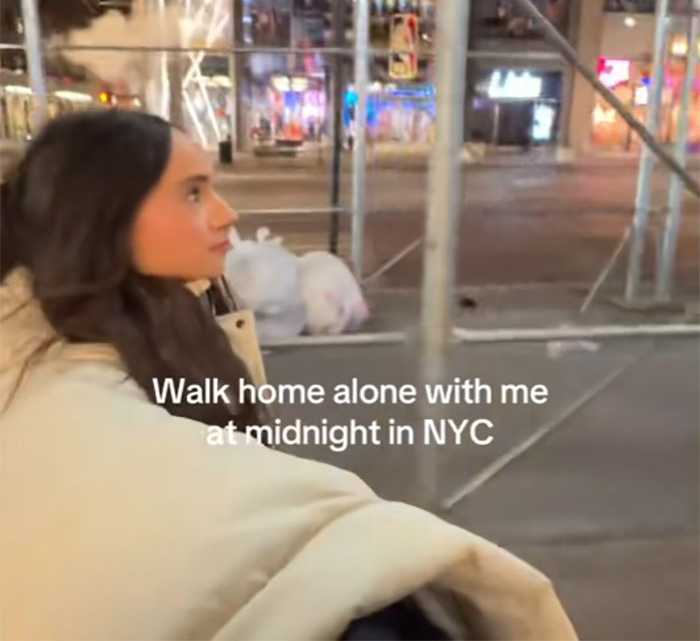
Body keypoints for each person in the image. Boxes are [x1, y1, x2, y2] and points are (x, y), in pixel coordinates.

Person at [0, 110, 576, 641]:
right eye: (193, 193)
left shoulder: (67, 341)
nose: (226, 214)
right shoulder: (79, 394)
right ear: (102, 220)